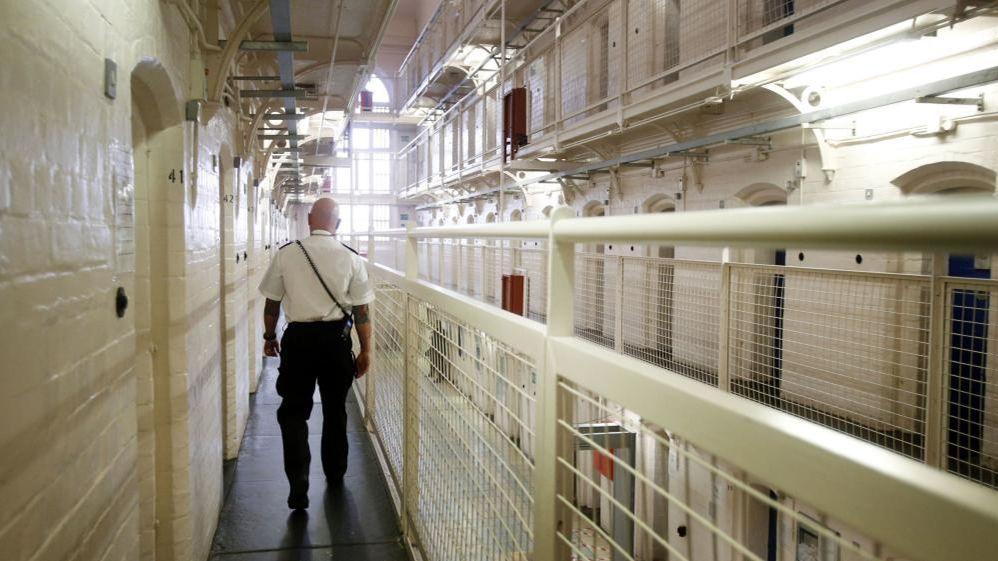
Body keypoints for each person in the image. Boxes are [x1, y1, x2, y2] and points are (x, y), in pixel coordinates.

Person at [257, 197, 374, 510]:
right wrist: (365, 350)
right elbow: (362, 311)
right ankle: (335, 475)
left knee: (293, 412)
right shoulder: (351, 259)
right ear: (337, 224)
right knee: (336, 410)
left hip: (298, 343)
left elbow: (272, 302)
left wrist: (270, 336)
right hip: (336, 342)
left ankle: (298, 483)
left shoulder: (287, 254)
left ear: (310, 219)